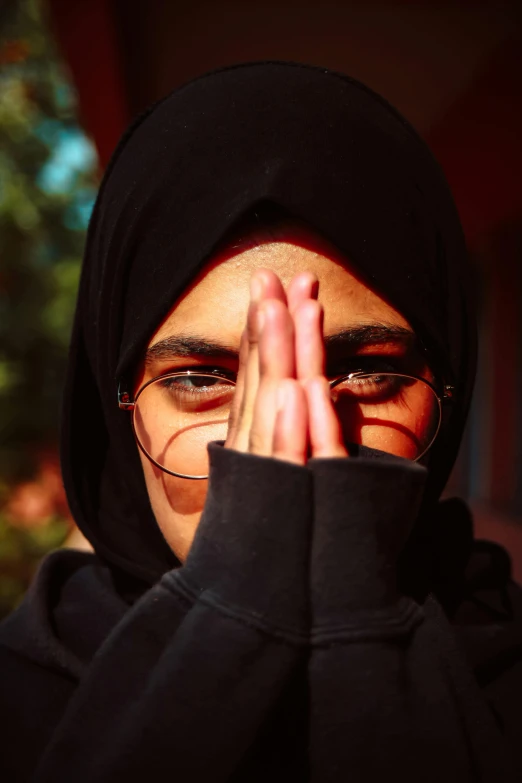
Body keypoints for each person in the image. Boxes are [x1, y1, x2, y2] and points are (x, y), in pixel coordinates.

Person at [0, 61, 521, 782]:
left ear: (449, 389)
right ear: (118, 411)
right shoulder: (23, 698)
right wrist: (230, 615)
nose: (294, 439)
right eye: (201, 379)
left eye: (370, 372)